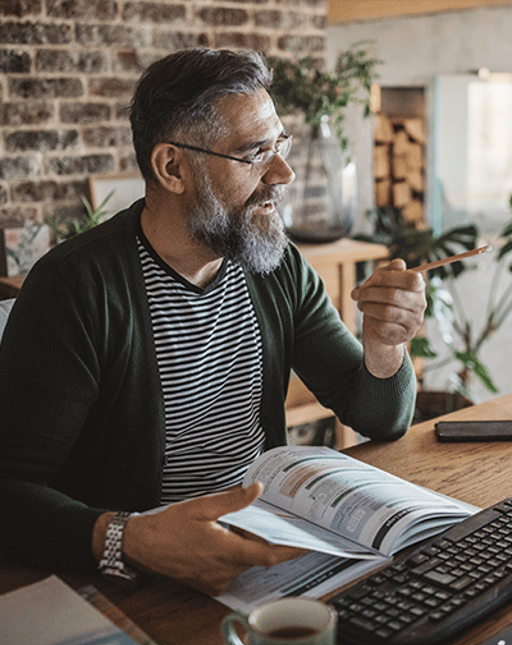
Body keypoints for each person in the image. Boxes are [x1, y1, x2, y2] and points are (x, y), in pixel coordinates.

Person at [0, 48, 426, 596]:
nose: (284, 172)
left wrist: (385, 346)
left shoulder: (273, 262)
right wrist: (129, 540)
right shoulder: (75, 288)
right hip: (136, 579)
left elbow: (378, 417)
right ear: (172, 167)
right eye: (254, 153)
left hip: (262, 548)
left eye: (280, 144)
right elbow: (9, 491)